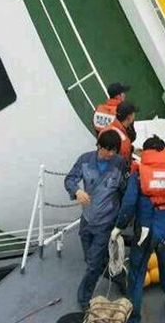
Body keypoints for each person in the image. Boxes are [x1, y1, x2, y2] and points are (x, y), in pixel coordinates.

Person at [110, 136, 165, 322]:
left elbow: (129, 203)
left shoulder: (140, 173)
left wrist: (119, 226)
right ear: (162, 151)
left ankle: (134, 317)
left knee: (137, 272)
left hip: (145, 227)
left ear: (146, 151)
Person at [63, 130, 127, 311]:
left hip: (106, 222)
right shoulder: (84, 160)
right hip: (87, 219)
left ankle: (83, 299)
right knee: (90, 258)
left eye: (115, 150)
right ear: (99, 146)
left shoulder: (119, 164)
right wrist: (77, 191)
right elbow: (70, 179)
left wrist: (122, 220)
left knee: (93, 265)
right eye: (109, 150)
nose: (112, 154)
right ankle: (119, 276)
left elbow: (125, 191)